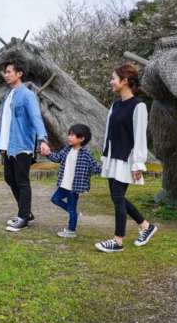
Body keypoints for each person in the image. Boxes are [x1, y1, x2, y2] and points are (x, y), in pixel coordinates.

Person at [95, 64, 158, 253]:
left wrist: (138, 164)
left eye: (114, 78)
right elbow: (109, 132)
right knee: (118, 198)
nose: (111, 82)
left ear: (125, 81)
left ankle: (118, 241)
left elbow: (140, 137)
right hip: (113, 157)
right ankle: (146, 226)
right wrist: (105, 156)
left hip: (127, 159)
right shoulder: (115, 105)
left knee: (117, 197)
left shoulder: (138, 106)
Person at [0, 59, 50, 232]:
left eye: (10, 71)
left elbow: (36, 117)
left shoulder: (27, 95)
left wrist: (42, 138)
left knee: (22, 181)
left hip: (22, 146)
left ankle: (23, 217)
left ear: (19, 74)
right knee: (10, 179)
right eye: (5, 72)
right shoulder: (8, 95)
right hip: (8, 147)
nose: (6, 74)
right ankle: (25, 212)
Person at [47, 124, 101, 238]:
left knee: (71, 208)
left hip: (75, 187)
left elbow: (94, 167)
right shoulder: (67, 149)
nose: (69, 137)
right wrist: (48, 153)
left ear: (81, 138)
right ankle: (74, 214)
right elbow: (57, 158)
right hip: (64, 184)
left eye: (72, 135)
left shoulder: (86, 153)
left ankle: (71, 230)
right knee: (55, 199)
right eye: (69, 135)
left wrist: (107, 168)